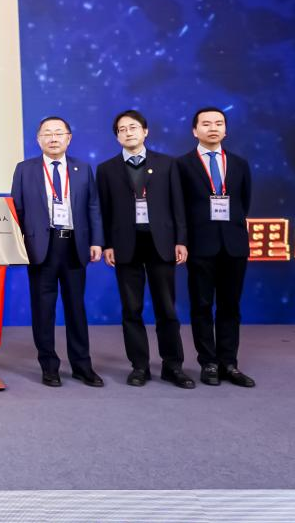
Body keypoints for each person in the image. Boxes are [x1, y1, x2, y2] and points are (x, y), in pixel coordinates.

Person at [96, 110, 194, 389]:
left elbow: (178, 205)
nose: (128, 132)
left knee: (167, 309)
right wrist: (107, 244)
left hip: (160, 243)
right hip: (125, 245)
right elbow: (104, 210)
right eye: (122, 129)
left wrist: (181, 240)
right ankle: (139, 366)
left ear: (145, 131)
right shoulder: (106, 169)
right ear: (117, 137)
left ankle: (173, 366)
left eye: (133, 127)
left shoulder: (167, 164)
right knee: (131, 309)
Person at [11, 116, 104, 388]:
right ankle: (49, 366)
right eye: (47, 134)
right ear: (38, 139)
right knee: (43, 310)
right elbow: (16, 210)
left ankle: (82, 366)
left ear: (68, 138)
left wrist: (97, 241)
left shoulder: (82, 168)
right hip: (41, 247)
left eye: (58, 133)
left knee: (76, 309)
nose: (53, 138)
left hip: (74, 245)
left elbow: (93, 206)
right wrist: (17, 246)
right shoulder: (25, 169)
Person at [177, 107, 255, 388]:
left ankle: (229, 363)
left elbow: (244, 202)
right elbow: (179, 207)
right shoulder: (182, 165)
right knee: (201, 305)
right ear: (194, 130)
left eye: (219, 123)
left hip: (234, 245)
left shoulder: (239, 164)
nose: (213, 128)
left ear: (225, 129)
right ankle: (208, 362)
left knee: (230, 306)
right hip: (200, 245)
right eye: (206, 123)